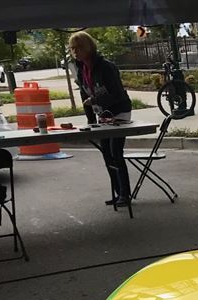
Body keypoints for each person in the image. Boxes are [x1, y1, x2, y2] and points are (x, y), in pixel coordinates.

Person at [69, 31, 134, 208]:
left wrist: (95, 100)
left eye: (78, 48)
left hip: (119, 111)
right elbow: (85, 96)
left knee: (115, 151)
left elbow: (116, 93)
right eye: (73, 49)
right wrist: (91, 122)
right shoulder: (81, 69)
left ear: (88, 47)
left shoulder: (106, 67)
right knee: (106, 153)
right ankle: (118, 192)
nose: (75, 52)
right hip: (102, 115)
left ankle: (125, 194)